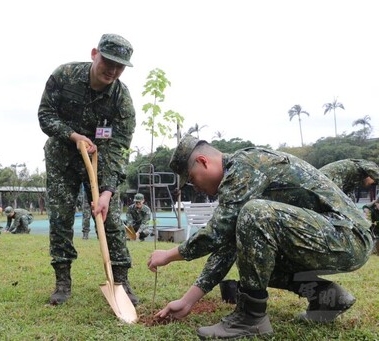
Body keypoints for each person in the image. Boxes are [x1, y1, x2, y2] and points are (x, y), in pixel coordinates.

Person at [147, 135, 375, 340]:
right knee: (252, 253)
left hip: (346, 235)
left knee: (254, 213)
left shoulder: (244, 166)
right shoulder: (240, 177)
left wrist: (169, 254)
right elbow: (227, 244)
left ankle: (251, 318)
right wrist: (187, 301)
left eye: (193, 179)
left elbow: (216, 232)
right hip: (331, 236)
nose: (197, 188)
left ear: (203, 162)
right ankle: (327, 296)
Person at [38, 33, 138, 306]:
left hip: (100, 163)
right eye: (108, 62)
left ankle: (120, 281)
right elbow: (45, 116)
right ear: (95, 53)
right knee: (60, 219)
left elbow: (118, 147)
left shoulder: (121, 99)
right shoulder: (65, 75)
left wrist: (107, 191)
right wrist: (73, 135)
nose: (113, 71)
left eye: (120, 66)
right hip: (62, 160)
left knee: (112, 220)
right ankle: (62, 283)